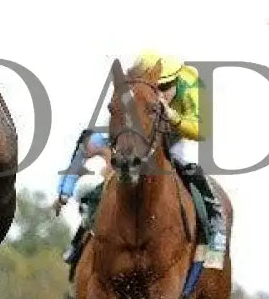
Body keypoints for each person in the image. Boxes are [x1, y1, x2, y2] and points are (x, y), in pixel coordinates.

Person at [132, 51, 227, 258]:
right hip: (144, 126)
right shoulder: (139, 82)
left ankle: (215, 224)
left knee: (182, 163)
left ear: (176, 81)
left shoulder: (191, 87)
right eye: (156, 88)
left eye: (165, 88)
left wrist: (173, 117)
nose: (159, 94)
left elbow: (203, 131)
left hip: (177, 128)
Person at [53, 129, 111, 280]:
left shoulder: (111, 140)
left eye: (85, 148)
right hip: (98, 196)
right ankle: (76, 247)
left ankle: (74, 247)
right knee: (89, 215)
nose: (84, 152)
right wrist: (64, 194)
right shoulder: (87, 152)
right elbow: (72, 172)